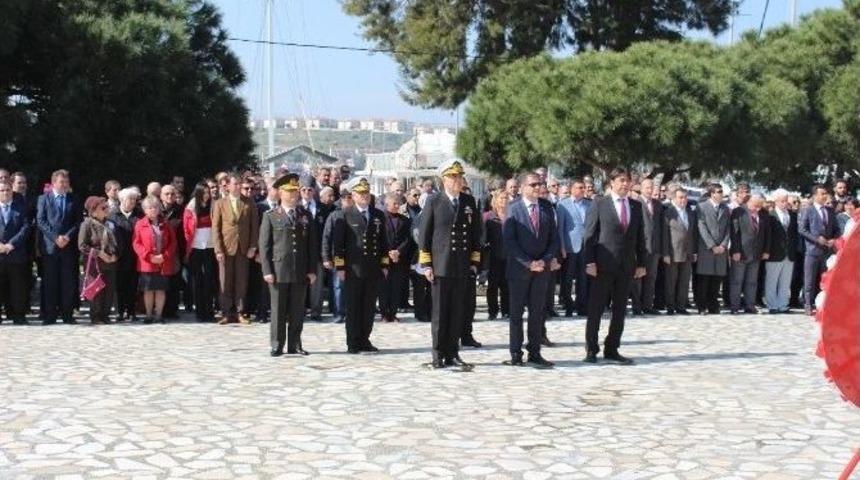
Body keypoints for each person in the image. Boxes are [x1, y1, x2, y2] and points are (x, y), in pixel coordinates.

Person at [418, 160, 482, 369]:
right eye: (453, 177)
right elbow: (424, 235)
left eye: (460, 176)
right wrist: (427, 265)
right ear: (444, 179)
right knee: (439, 313)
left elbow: (475, 235)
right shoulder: (434, 201)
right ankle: (438, 353)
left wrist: (474, 262)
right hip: (440, 265)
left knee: (457, 312)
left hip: (462, 265)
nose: (458, 180)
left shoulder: (469, 201)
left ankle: (453, 352)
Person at [582, 167, 646, 365]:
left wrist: (642, 263)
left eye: (627, 181)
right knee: (596, 309)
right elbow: (589, 235)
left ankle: (612, 348)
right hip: (602, 265)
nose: (625, 184)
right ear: (612, 183)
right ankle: (591, 349)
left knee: (620, 310)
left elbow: (640, 237)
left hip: (626, 266)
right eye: (621, 180)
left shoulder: (636, 206)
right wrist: (589, 261)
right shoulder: (600, 203)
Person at [503, 173, 560, 368]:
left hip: (541, 270)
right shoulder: (513, 208)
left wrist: (544, 260)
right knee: (517, 314)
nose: (537, 187)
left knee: (537, 312)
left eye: (540, 184)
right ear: (523, 187)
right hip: (520, 270)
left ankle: (534, 352)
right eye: (533, 184)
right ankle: (516, 353)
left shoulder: (546, 207)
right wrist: (529, 263)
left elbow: (554, 238)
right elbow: (510, 241)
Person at [259, 174, 318, 356]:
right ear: (280, 193)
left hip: (300, 270)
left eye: (295, 191)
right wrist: (267, 270)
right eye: (289, 192)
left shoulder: (305, 215)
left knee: (297, 309)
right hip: (278, 270)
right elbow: (264, 245)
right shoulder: (270, 216)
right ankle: (277, 344)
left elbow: (311, 245)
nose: (293, 195)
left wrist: (312, 270)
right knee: (277, 309)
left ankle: (295, 344)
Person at [332, 177, 389, 353]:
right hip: (353, 269)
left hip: (372, 268)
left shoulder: (378, 215)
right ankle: (353, 342)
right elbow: (338, 244)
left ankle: (365, 339)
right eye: (361, 193)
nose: (365, 196)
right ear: (353, 195)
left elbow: (383, 242)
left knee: (369, 307)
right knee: (354, 307)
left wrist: (384, 264)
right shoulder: (345, 214)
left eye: (367, 192)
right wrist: (340, 267)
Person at [211, 173, 259, 325]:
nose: (238, 186)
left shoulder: (249, 202)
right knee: (225, 281)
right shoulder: (220, 203)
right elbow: (216, 228)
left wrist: (253, 246)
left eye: (239, 184)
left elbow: (254, 226)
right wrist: (218, 249)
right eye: (235, 184)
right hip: (226, 247)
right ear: (228, 186)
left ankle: (240, 312)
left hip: (243, 248)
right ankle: (226, 312)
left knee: (241, 281)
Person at [37, 169, 83, 325]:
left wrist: (67, 236)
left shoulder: (74, 199)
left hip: (68, 247)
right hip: (50, 247)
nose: (64, 184)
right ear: (53, 183)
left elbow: (78, 222)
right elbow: (41, 221)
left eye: (66, 182)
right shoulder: (44, 199)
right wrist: (55, 238)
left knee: (68, 282)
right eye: (61, 182)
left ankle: (67, 314)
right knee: (50, 282)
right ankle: (50, 315)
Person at [133, 195, 176, 324]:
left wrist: (164, 256)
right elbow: (136, 243)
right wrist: (149, 257)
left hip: (163, 263)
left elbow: (173, 243)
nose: (153, 210)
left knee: (160, 290)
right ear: (145, 210)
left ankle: (159, 315)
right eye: (150, 208)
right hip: (147, 264)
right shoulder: (140, 224)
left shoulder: (166, 223)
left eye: (156, 207)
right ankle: (148, 315)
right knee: (148, 290)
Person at [798, 184, 839, 316]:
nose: (824, 196)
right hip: (812, 250)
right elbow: (802, 229)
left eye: (825, 193)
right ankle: (808, 305)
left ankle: (822, 304)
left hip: (827, 251)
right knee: (809, 280)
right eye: (822, 193)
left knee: (824, 280)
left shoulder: (830, 211)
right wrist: (816, 239)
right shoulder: (808, 210)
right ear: (815, 195)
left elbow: (836, 230)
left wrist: (834, 239)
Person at [78, 196, 118, 324]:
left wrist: (115, 255)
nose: (106, 209)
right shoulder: (87, 224)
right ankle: (95, 316)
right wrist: (99, 254)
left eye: (107, 207)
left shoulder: (110, 223)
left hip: (110, 263)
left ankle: (105, 315)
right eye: (103, 207)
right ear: (93, 211)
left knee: (109, 290)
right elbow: (82, 245)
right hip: (95, 264)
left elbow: (118, 242)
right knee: (97, 291)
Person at [183, 182, 219, 322]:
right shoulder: (190, 208)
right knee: (197, 280)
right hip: (196, 247)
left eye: (207, 192)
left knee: (209, 280)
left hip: (210, 246)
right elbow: (186, 230)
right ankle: (200, 312)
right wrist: (190, 244)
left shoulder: (214, 205)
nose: (206, 195)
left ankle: (209, 311)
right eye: (203, 193)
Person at [728, 193, 769, 314]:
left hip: (756, 253)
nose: (757, 209)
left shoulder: (763, 214)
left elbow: (766, 234)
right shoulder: (738, 211)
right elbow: (734, 233)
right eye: (755, 206)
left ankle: (750, 305)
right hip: (741, 253)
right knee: (737, 280)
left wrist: (766, 250)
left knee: (752, 282)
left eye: (759, 206)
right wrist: (735, 250)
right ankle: (734, 306)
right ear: (749, 201)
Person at [300, 176, 334, 321]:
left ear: (314, 191)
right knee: (300, 284)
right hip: (300, 253)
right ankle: (299, 310)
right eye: (304, 190)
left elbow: (327, 233)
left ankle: (316, 311)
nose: (307, 192)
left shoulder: (323, 209)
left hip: (318, 252)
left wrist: (326, 255)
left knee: (317, 284)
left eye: (310, 190)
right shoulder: (296, 208)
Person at [556, 179, 592, 317]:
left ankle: (582, 305)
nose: (582, 190)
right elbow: (560, 228)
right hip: (570, 247)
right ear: (572, 189)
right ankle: (568, 305)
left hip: (585, 246)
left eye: (583, 188)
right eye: (579, 187)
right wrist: (562, 247)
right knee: (567, 278)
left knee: (584, 278)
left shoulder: (589, 204)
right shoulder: (563, 205)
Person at [695, 183, 731, 315]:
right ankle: (702, 306)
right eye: (719, 191)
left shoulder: (725, 208)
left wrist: (723, 245)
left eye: (722, 191)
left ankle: (713, 305)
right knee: (704, 279)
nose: (721, 194)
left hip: (721, 249)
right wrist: (712, 245)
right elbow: (701, 227)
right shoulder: (702, 207)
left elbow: (728, 228)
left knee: (716, 280)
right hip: (706, 249)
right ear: (712, 194)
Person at [661, 187, 697, 315]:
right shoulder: (668, 212)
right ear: (674, 198)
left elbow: (693, 234)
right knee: (671, 281)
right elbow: (664, 235)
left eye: (685, 197)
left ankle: (681, 306)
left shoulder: (690, 213)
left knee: (684, 281)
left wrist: (694, 252)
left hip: (687, 253)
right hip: (672, 253)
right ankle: (670, 306)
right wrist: (665, 253)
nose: (683, 200)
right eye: (680, 197)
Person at [630, 179, 663, 315]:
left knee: (651, 277)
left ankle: (647, 305)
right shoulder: (636, 204)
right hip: (641, 246)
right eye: (647, 188)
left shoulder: (658, 204)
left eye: (651, 188)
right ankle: (637, 306)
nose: (650, 190)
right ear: (642, 188)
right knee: (638, 277)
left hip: (654, 247)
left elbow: (659, 227)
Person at [378, 193, 413, 322]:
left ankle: (393, 313)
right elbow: (380, 238)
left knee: (396, 286)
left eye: (398, 203)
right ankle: (384, 313)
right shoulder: (380, 218)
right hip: (384, 257)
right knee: (384, 287)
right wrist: (388, 252)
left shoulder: (405, 220)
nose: (397, 206)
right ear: (387, 205)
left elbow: (408, 239)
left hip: (399, 259)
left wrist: (398, 252)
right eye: (394, 204)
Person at [763, 189, 799, 314]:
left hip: (789, 254)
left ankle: (783, 304)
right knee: (772, 281)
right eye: (782, 201)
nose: (785, 203)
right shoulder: (770, 215)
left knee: (785, 281)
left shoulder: (792, 215)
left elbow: (794, 234)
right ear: (776, 201)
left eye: (786, 201)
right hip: (774, 253)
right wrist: (766, 251)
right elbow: (767, 235)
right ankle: (772, 305)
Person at [108, 187, 141, 321]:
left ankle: (132, 311)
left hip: (135, 255)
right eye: (130, 199)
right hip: (118, 256)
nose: (132, 202)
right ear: (122, 200)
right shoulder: (113, 216)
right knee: (119, 285)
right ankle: (119, 311)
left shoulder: (139, 215)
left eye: (134, 199)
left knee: (133, 285)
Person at [0, 182, 30, 325]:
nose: (5, 192)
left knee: (18, 287)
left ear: (12, 191)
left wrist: (11, 244)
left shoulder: (21, 207)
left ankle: (19, 316)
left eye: (7, 190)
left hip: (16, 253)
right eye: (2, 190)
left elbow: (25, 227)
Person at [322, 189, 353, 324]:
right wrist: (326, 257)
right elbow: (326, 237)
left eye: (350, 197)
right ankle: (339, 313)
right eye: (345, 197)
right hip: (338, 256)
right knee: (338, 286)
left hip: (354, 257)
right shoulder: (334, 215)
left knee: (352, 286)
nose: (348, 199)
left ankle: (351, 312)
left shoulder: (356, 214)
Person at [482, 192, 509, 320]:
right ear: (496, 200)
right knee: (492, 285)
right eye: (502, 198)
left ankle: (506, 310)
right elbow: (482, 237)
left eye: (506, 198)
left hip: (509, 256)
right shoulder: (488, 216)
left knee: (507, 285)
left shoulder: (512, 216)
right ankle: (492, 311)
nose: (504, 200)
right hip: (493, 255)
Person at [160, 185, 185, 319]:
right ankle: (161, 309)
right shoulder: (156, 211)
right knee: (161, 281)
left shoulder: (181, 210)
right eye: (167, 194)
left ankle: (172, 309)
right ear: (161, 195)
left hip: (176, 250)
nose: (170, 197)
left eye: (172, 194)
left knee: (175, 280)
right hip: (160, 251)